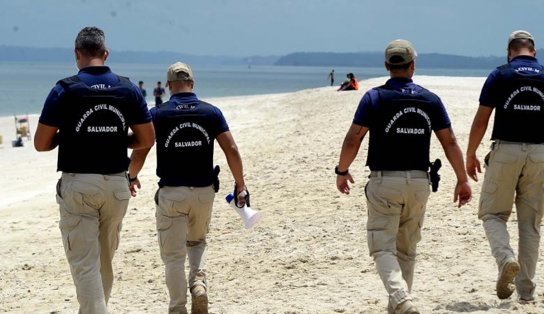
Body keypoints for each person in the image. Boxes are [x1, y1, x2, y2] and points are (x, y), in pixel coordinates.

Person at [335, 39, 471, 314]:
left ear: (387, 66)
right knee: (407, 250)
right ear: (413, 66)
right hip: (420, 181)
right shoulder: (429, 99)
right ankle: (398, 308)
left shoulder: (374, 97)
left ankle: (402, 300)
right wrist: (462, 178)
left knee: (382, 247)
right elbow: (450, 142)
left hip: (386, 181)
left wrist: (342, 170)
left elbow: (354, 139)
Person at [33, 26, 155, 313]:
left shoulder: (64, 89)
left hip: (80, 184)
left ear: (77, 54)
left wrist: (73, 135)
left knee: (85, 263)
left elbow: (41, 143)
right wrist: (115, 137)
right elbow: (147, 139)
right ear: (105, 53)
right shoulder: (128, 88)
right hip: (116, 184)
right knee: (103, 262)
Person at [129, 62, 249, 314]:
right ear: (192, 84)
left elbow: (142, 149)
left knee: (173, 256)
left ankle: (178, 308)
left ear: (169, 86)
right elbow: (232, 150)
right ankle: (198, 282)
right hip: (204, 191)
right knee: (197, 242)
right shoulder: (211, 112)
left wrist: (132, 176)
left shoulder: (158, 114)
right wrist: (240, 184)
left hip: (172, 192)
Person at [466, 30, 544, 302]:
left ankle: (505, 258)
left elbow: (481, 119)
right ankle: (526, 292)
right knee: (531, 224)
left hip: (506, 149)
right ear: (533, 52)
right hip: (540, 153)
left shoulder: (500, 74)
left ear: (509, 52)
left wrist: (471, 153)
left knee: (493, 214)